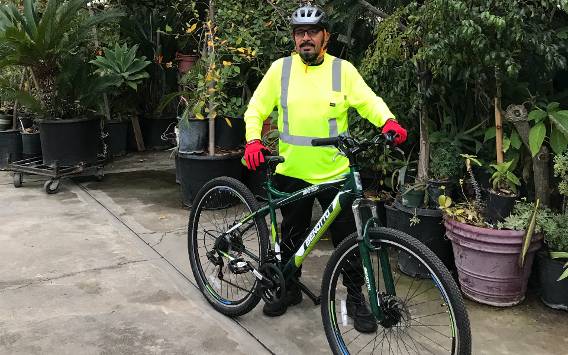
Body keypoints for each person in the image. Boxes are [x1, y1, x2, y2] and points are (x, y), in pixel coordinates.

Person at [242, 3, 407, 333]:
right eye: (300, 33)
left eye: (312, 32)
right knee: (291, 235)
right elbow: (256, 109)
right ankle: (288, 288)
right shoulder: (280, 70)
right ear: (294, 38)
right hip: (291, 170)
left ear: (325, 36)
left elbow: (368, 100)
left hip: (335, 173)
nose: (306, 38)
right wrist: (252, 140)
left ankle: (356, 299)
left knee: (349, 241)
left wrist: (388, 121)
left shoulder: (342, 71)